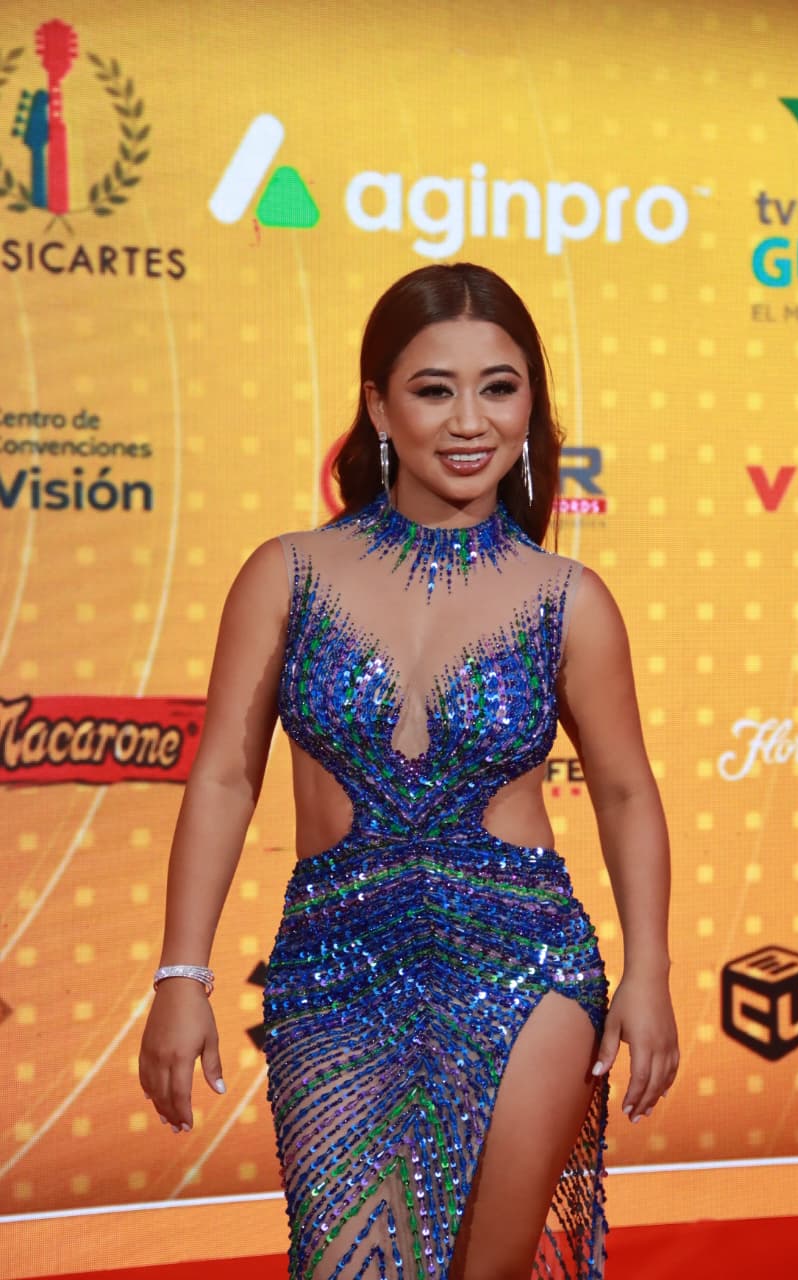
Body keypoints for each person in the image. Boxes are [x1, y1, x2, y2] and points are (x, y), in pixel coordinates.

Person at [139, 262, 678, 1280]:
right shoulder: (287, 573)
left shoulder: (569, 598)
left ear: (529, 404)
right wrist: (181, 973)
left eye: (499, 387)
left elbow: (623, 790)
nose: (470, 420)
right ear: (380, 407)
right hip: (334, 970)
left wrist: (647, 972)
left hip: (527, 966)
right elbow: (222, 779)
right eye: (434, 389)